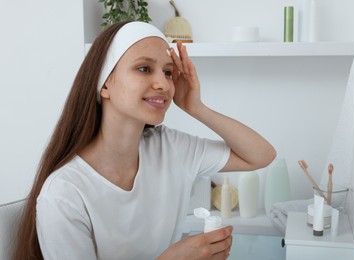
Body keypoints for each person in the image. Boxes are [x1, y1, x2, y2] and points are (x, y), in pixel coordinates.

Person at [14, 21, 276, 260]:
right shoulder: (63, 194)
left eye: (168, 72)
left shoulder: (172, 149)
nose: (162, 84)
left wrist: (196, 107)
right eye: (144, 69)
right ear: (104, 84)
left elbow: (261, 155)